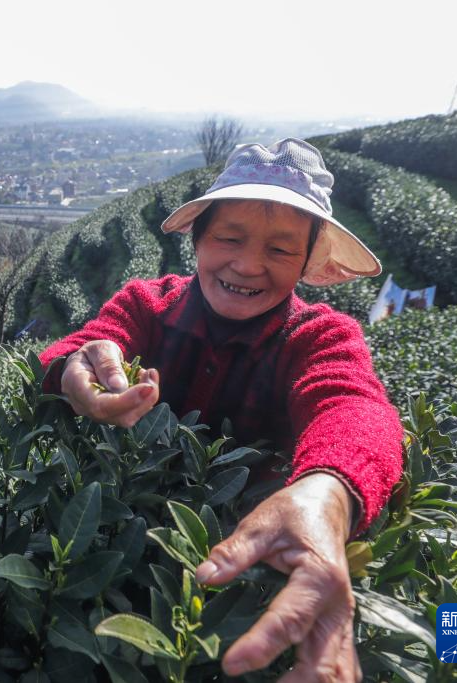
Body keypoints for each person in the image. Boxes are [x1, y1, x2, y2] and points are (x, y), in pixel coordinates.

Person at [38, 139, 403, 682]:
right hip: (116, 562)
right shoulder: (146, 305)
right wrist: (77, 365)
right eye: (229, 237)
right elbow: (91, 341)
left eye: (280, 250)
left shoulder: (320, 337)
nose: (248, 264)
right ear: (199, 239)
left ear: (306, 261)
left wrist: (326, 493)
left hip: (245, 581)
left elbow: (353, 407)